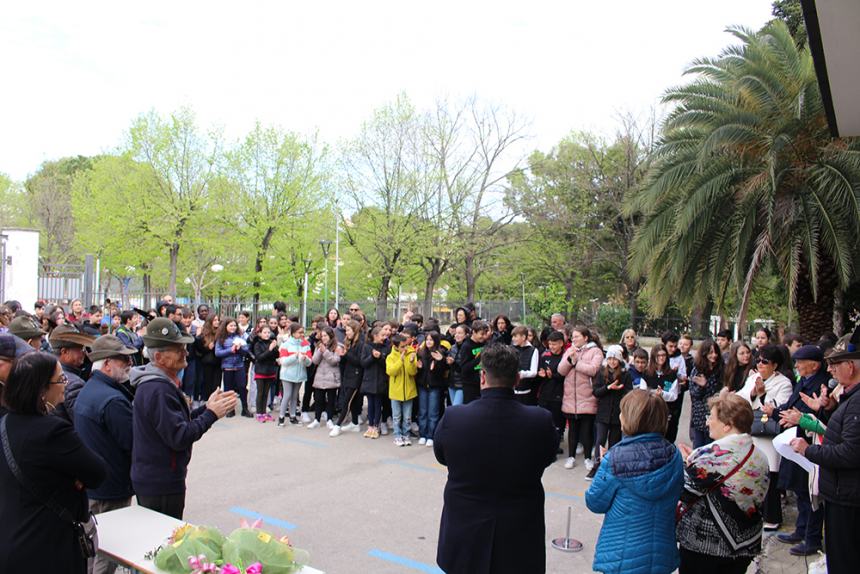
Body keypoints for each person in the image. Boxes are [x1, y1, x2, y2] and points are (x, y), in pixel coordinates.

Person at [434, 343, 557, 574]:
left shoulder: (455, 417)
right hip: (519, 531)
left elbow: (442, 456)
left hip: (465, 531)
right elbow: (548, 456)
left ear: (482, 377)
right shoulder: (540, 421)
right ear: (518, 379)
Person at [0, 352, 106, 574]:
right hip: (48, 545)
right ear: (41, 390)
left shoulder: (5, 423)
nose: (65, 385)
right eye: (60, 380)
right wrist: (73, 479)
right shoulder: (53, 431)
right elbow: (97, 473)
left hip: (12, 539)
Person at [130, 318, 237, 519]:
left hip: (158, 479)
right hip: (160, 482)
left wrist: (207, 408)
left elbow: (177, 422)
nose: (185, 353)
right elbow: (179, 436)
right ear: (160, 357)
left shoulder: (159, 385)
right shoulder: (158, 389)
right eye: (179, 349)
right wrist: (211, 414)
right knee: (162, 542)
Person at [586, 389, 683, 574]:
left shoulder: (615, 458)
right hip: (661, 555)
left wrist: (605, 468)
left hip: (622, 556)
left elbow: (595, 502)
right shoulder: (674, 455)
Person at [790, 328, 860, 574]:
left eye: (834, 364)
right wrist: (829, 409)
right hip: (842, 493)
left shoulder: (857, 402)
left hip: (847, 498)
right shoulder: (850, 398)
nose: (829, 369)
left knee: (844, 562)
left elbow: (850, 453)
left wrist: (808, 451)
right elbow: (840, 433)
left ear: (850, 367)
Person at [676, 391, 769, 574]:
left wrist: (690, 464)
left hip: (707, 548)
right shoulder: (760, 456)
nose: (707, 421)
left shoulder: (709, 458)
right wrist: (693, 462)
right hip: (745, 545)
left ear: (727, 425)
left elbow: (683, 492)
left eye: (711, 417)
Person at [73, 335, 137, 574]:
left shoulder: (93, 388)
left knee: (96, 548)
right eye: (123, 359)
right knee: (107, 554)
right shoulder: (111, 399)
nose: (129, 362)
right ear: (107, 364)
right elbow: (132, 442)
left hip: (98, 484)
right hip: (111, 488)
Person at [772, 345, 829, 556]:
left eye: (800, 362)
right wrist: (779, 412)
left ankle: (812, 538)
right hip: (794, 441)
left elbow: (817, 415)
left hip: (810, 443)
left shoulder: (820, 383)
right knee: (800, 491)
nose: (796, 366)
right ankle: (801, 529)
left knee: (811, 492)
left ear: (813, 365)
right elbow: (791, 405)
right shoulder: (802, 381)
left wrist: (798, 417)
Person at [736, 344, 793, 530]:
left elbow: (779, 407)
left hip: (769, 435)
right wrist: (753, 393)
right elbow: (740, 398)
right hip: (752, 431)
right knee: (753, 475)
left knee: (770, 477)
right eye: (758, 360)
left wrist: (762, 396)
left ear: (775, 365)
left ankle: (772, 517)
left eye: (765, 362)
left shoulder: (783, 383)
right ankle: (754, 513)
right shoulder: (753, 377)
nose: (760, 364)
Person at [559, 325, 604, 472]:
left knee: (586, 431)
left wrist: (577, 362)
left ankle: (587, 458)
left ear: (586, 338)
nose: (574, 339)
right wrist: (569, 360)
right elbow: (561, 370)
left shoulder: (595, 351)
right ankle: (571, 457)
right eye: (573, 337)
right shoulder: (570, 351)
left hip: (587, 397)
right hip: (571, 398)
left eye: (577, 336)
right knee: (572, 430)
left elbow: (593, 370)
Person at [590, 345, 633, 480]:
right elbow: (596, 392)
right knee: (600, 441)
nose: (612, 362)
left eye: (615, 359)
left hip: (617, 415)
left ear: (619, 360)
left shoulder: (625, 374)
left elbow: (629, 393)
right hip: (603, 414)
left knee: (614, 441)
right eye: (610, 358)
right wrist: (608, 387)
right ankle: (597, 466)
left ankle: (611, 468)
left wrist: (620, 390)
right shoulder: (601, 373)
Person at [49, 324, 97, 424]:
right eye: (80, 349)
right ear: (64, 352)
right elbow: (83, 424)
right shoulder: (73, 384)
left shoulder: (45, 370)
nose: (84, 353)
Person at [330, 320, 364, 437]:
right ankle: (355, 424)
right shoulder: (349, 342)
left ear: (355, 331)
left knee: (346, 402)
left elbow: (359, 362)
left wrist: (346, 354)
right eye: (346, 330)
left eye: (349, 330)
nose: (346, 332)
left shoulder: (361, 343)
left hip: (356, 377)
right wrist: (341, 354)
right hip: (348, 375)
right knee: (353, 402)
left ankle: (338, 425)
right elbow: (346, 361)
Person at [688, 340, 724, 448]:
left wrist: (707, 386)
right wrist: (702, 386)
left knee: (712, 448)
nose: (714, 355)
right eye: (710, 352)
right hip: (699, 416)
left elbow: (718, 392)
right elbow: (694, 394)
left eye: (715, 352)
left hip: (715, 414)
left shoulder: (721, 369)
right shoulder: (697, 370)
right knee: (698, 447)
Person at [214, 317, 252, 418]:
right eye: (231, 325)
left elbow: (246, 351)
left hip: (239, 366)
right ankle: (230, 410)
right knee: (228, 389)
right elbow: (217, 353)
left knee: (242, 387)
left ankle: (245, 409)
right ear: (225, 326)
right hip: (228, 367)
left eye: (235, 325)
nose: (233, 327)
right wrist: (230, 350)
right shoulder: (221, 338)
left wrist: (240, 349)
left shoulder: (240, 336)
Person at [415, 331, 448, 446]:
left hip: (435, 386)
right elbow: (419, 370)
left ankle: (431, 435)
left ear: (436, 341)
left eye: (431, 340)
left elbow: (444, 371)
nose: (428, 342)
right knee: (423, 411)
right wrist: (419, 368)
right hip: (423, 386)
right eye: (427, 339)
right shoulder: (421, 352)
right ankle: (422, 434)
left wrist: (440, 361)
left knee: (433, 412)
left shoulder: (441, 352)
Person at [277, 323, 312, 426]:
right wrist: (295, 356)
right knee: (287, 395)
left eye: (303, 332)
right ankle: (281, 417)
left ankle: (293, 417)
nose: (302, 334)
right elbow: (283, 361)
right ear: (292, 333)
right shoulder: (286, 344)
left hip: (300, 375)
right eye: (299, 332)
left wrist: (305, 359)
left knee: (294, 396)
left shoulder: (306, 344)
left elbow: (309, 362)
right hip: (287, 375)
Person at [386, 333, 418, 446]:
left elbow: (412, 372)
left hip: (409, 391)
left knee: (407, 416)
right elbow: (391, 371)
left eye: (406, 345)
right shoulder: (390, 357)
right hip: (395, 392)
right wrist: (400, 360)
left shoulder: (412, 353)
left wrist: (410, 362)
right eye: (402, 346)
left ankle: (406, 434)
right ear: (395, 346)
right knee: (396, 416)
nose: (405, 348)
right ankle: (397, 435)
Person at [309, 326, 341, 429]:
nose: (323, 338)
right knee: (318, 400)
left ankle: (329, 420)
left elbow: (334, 361)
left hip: (332, 377)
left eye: (325, 335)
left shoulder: (337, 346)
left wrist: (325, 351)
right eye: (322, 336)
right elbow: (314, 361)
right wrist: (320, 350)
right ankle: (316, 420)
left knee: (331, 400)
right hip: (320, 377)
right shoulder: (319, 346)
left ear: (331, 336)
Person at [360, 325, 389, 439]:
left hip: (380, 381)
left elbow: (386, 363)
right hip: (369, 380)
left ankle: (376, 425)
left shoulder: (386, 347)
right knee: (370, 404)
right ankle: (370, 425)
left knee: (378, 404)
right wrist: (372, 357)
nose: (384, 337)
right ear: (375, 336)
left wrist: (380, 356)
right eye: (382, 335)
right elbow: (363, 363)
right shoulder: (367, 347)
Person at [456, 320, 489, 404]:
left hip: (484, 384)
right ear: (474, 332)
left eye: (485, 333)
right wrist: (479, 358)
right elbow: (464, 369)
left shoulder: (485, 343)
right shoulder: (466, 346)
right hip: (470, 386)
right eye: (481, 334)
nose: (484, 336)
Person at [251, 324, 279, 422]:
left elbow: (277, 355)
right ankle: (259, 413)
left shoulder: (272, 342)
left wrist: (275, 347)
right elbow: (259, 357)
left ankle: (264, 412)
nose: (267, 334)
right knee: (260, 393)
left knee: (266, 393)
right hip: (260, 371)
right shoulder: (257, 344)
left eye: (268, 332)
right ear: (259, 334)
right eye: (265, 332)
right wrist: (270, 349)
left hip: (270, 371)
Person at [511, 325, 539, 405]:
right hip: (511, 391)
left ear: (523, 337)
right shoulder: (511, 348)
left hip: (526, 392)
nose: (513, 339)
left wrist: (521, 374)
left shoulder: (533, 350)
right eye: (513, 336)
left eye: (515, 336)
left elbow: (533, 372)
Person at [445, 324, 469, 405]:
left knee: (456, 407)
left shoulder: (468, 347)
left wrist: (453, 363)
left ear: (466, 335)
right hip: (452, 383)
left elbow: (465, 368)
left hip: (462, 384)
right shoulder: (453, 348)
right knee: (454, 408)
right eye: (456, 333)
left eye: (460, 333)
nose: (457, 335)